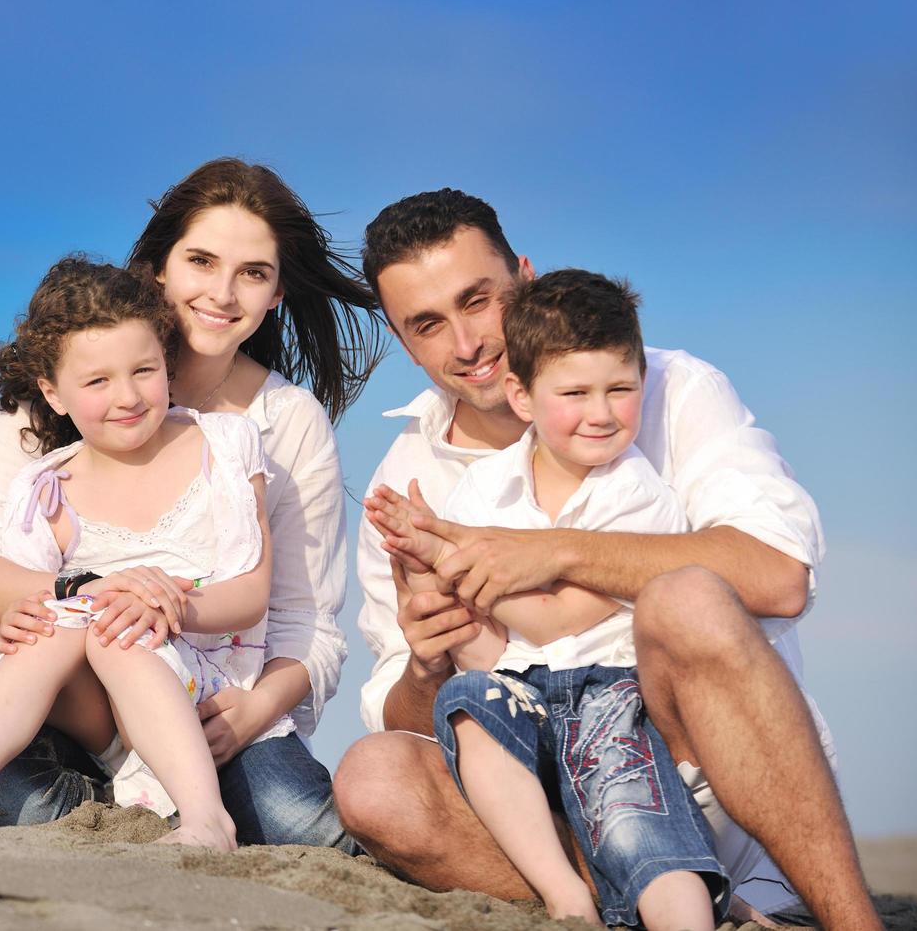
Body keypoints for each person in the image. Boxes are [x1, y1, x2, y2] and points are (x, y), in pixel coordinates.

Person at [335, 188, 880, 929]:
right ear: (404, 341)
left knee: (684, 598)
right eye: (428, 324)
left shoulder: (667, 387)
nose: (466, 344)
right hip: (541, 792)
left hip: (699, 764)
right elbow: (399, 714)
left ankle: (846, 921)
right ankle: (657, 895)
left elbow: (779, 575)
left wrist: (553, 552)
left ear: (524, 279)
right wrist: (427, 662)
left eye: (478, 300)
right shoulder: (408, 483)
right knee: (373, 777)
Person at [0, 158, 385, 849]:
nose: (223, 293)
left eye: (253, 273)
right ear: (157, 270)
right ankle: (127, 810)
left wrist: (253, 711)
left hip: (213, 705)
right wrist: (88, 593)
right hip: (75, 698)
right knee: (0, 801)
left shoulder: (280, 426)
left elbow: (307, 622)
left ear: (278, 294)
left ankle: (184, 809)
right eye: (201, 260)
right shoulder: (65, 386)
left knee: (297, 822)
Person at [368, 270, 727, 928]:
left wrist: (449, 553)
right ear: (523, 397)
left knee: (637, 824)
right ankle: (564, 896)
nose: (601, 412)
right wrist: (422, 570)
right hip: (524, 693)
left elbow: (558, 618)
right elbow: (486, 641)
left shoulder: (639, 497)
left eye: (621, 389)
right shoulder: (484, 494)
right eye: (575, 393)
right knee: (468, 705)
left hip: (613, 693)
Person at [0, 257, 272, 849]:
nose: (126, 396)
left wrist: (165, 605)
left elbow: (252, 594)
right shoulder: (46, 487)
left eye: (144, 369)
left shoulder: (224, 448)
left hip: (200, 689)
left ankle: (207, 818)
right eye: (97, 382)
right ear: (53, 393)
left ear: (167, 365)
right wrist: (17, 624)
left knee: (117, 629)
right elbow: (31, 609)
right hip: (91, 711)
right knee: (59, 624)